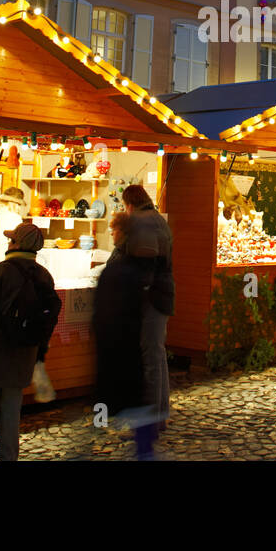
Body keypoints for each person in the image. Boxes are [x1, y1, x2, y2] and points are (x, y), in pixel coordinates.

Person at [0, 221, 61, 461]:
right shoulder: (44, 275)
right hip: (23, 353)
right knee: (12, 411)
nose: (8, 242)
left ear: (17, 243)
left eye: (11, 239)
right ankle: (9, 457)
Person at [94, 212, 154, 458]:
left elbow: (107, 307)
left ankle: (140, 445)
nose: (111, 233)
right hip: (126, 337)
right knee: (131, 390)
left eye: (114, 229)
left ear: (124, 233)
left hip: (116, 338)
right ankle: (144, 446)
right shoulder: (134, 266)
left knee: (121, 390)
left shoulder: (120, 268)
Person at [120, 184, 174, 431]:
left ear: (129, 204)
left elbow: (146, 260)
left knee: (150, 358)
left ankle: (150, 420)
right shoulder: (157, 220)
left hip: (150, 298)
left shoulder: (143, 223)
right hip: (162, 294)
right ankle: (159, 414)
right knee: (157, 355)